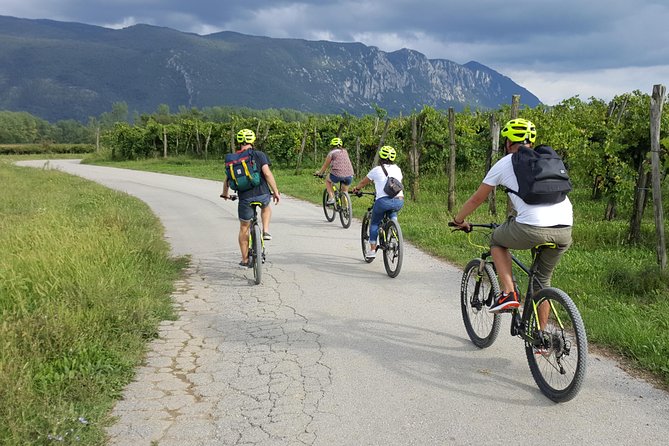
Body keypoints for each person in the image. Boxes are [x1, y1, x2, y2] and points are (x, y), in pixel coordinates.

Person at [451, 118, 573, 313]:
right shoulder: (547, 161)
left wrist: (458, 220)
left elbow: (477, 199)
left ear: (507, 143)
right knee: (542, 283)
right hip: (565, 229)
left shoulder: (506, 162)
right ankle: (541, 341)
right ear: (531, 142)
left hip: (531, 228)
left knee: (497, 240)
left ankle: (509, 293)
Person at [221, 128, 281, 267]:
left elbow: (227, 180)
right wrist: (276, 191)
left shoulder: (233, 158)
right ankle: (265, 231)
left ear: (239, 142)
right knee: (266, 207)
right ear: (253, 141)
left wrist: (225, 194)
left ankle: (245, 259)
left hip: (245, 198)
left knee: (244, 227)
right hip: (262, 193)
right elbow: (267, 173)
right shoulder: (259, 154)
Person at [351, 145, 404, 258]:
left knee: (374, 222)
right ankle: (393, 227)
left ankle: (372, 250)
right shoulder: (398, 169)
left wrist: (357, 189)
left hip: (382, 202)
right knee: (392, 209)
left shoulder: (376, 170)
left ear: (380, 157)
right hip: (399, 200)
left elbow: (363, 183)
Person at [314, 137, 355, 204]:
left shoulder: (331, 153)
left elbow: (325, 165)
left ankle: (331, 197)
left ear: (332, 146)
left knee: (327, 180)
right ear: (341, 145)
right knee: (344, 192)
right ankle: (346, 209)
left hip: (337, 174)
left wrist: (320, 173)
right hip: (349, 175)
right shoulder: (345, 151)